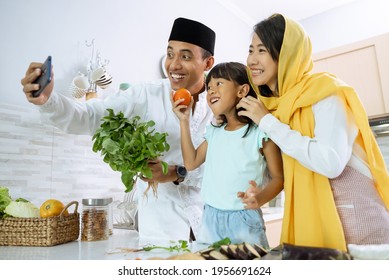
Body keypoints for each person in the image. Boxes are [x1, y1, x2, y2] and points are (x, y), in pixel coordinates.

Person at [20, 17, 216, 245]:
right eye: (170, 54)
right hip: (162, 234)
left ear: (208, 63)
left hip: (211, 228)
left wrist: (179, 173)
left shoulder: (220, 105)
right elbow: (91, 116)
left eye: (185, 56)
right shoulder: (145, 95)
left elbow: (229, 169)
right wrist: (48, 100)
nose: (173, 65)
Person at [237, 13, 389, 251]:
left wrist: (267, 122)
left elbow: (330, 162)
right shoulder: (275, 108)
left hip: (362, 237)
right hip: (318, 241)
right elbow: (292, 170)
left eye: (262, 50)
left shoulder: (326, 91)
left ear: (287, 53)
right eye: (251, 50)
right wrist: (261, 191)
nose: (252, 60)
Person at [172, 62, 284, 247]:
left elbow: (279, 178)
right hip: (210, 217)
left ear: (242, 91)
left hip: (244, 219)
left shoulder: (260, 132)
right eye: (209, 87)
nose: (211, 91)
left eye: (219, 83)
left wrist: (260, 198)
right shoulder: (214, 132)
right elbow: (191, 163)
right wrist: (184, 120)